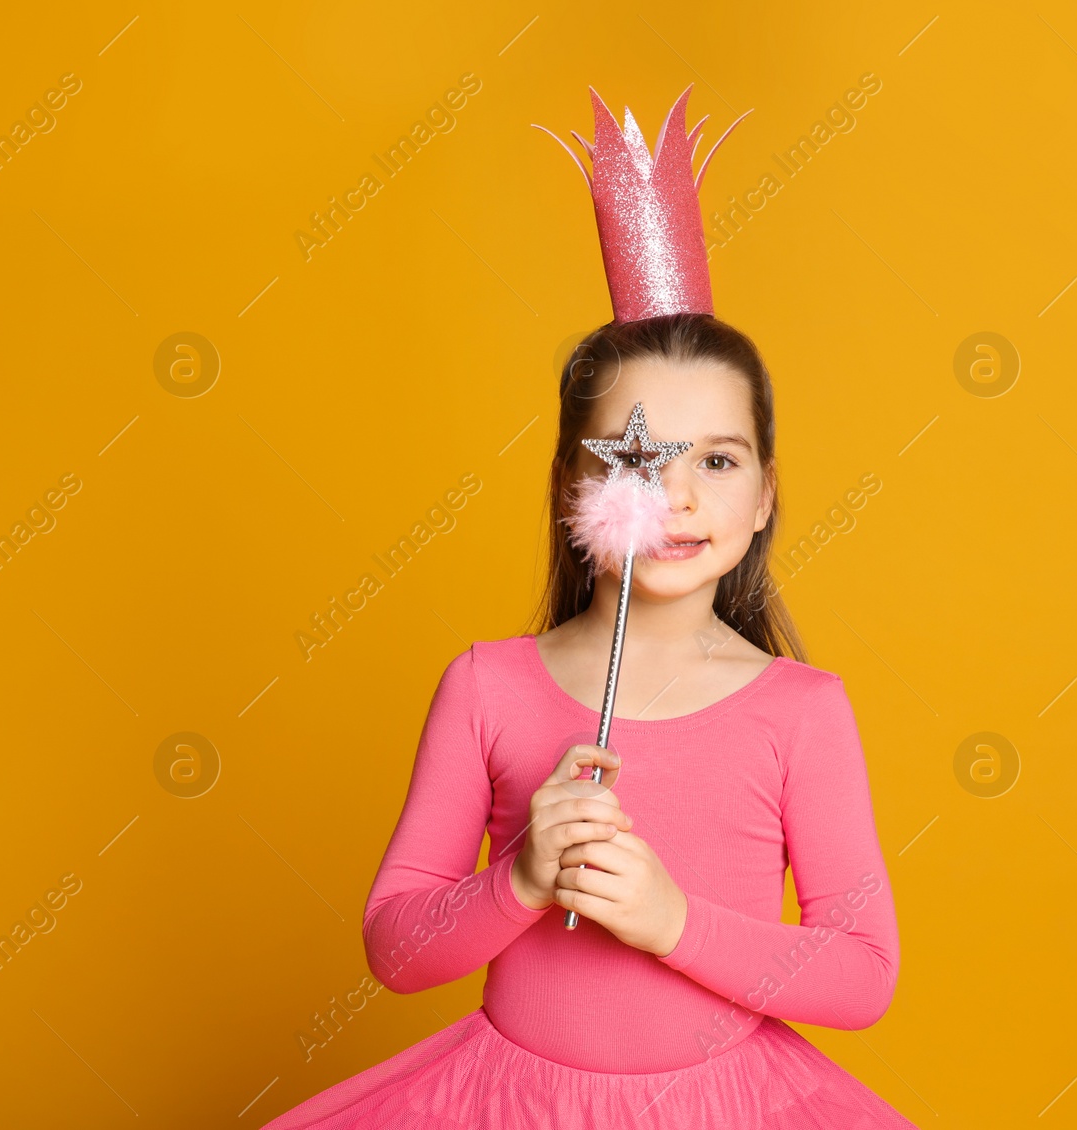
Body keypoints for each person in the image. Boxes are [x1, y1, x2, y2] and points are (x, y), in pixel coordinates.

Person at [259, 89, 913, 1129]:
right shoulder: (488, 686)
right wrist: (515, 879)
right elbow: (395, 946)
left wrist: (671, 919)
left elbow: (862, 972)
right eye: (646, 457)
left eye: (719, 458)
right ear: (577, 481)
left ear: (765, 493)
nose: (683, 493)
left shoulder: (801, 710)